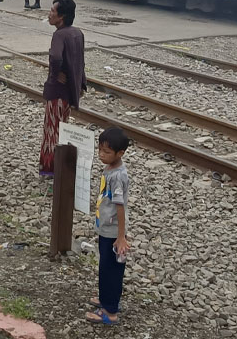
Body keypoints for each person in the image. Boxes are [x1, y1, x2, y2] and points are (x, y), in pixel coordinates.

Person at [86, 126, 130, 327]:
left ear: (119, 153)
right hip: (106, 228)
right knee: (105, 267)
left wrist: (121, 237)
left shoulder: (117, 176)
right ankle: (106, 300)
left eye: (107, 152)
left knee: (110, 270)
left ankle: (110, 312)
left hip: (112, 231)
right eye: (100, 150)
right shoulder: (111, 168)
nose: (101, 155)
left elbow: (120, 207)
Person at [40, 0, 85, 176]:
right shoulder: (77, 33)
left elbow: (56, 57)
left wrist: (55, 74)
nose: (49, 14)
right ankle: (60, 166)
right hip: (70, 92)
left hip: (57, 92)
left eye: (52, 11)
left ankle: (50, 169)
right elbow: (80, 61)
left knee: (52, 130)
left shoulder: (59, 35)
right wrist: (81, 84)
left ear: (62, 17)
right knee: (62, 128)